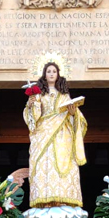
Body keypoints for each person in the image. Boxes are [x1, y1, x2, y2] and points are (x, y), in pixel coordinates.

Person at [24, 59, 87, 208]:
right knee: (43, 165)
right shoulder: (39, 95)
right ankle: (44, 202)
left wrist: (73, 114)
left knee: (63, 166)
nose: (51, 74)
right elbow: (33, 119)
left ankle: (62, 201)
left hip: (62, 139)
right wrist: (32, 105)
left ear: (58, 75)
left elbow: (78, 119)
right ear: (44, 75)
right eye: (48, 71)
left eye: (54, 71)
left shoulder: (64, 96)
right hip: (42, 137)